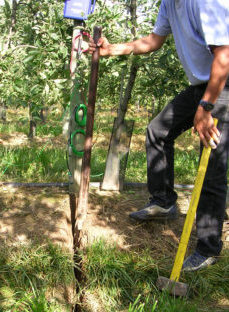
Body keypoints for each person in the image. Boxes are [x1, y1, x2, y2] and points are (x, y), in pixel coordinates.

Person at [89, 0, 229, 271]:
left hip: (223, 83)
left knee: (210, 164)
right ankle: (163, 202)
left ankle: (208, 248)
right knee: (158, 131)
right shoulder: (169, 3)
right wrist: (112, 50)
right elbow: (153, 41)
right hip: (203, 84)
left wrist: (206, 106)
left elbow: (224, 55)